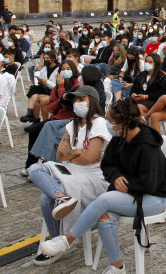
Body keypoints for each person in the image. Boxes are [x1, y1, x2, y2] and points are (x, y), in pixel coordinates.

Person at [38, 97, 166, 274]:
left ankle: (67, 239)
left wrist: (129, 188)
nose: (109, 126)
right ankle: (117, 266)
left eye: (111, 122)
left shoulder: (148, 147)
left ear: (123, 124)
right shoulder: (119, 140)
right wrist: (116, 177)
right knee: (104, 216)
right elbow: (107, 165)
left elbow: (150, 182)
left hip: (154, 197)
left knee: (105, 199)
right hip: (130, 193)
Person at [28, 86, 111, 266]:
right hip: (72, 170)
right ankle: (61, 197)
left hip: (93, 177)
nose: (77, 104)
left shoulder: (99, 123)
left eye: (81, 100)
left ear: (92, 102)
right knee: (34, 169)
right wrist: (80, 151)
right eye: (75, 100)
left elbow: (90, 159)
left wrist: (72, 153)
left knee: (44, 199)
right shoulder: (73, 124)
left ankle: (60, 241)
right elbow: (59, 154)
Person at [21, 50, 59, 123]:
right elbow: (40, 74)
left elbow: (56, 86)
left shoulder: (58, 69)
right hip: (45, 88)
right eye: (45, 58)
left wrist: (46, 81)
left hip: (53, 90)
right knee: (34, 89)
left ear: (53, 59)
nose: (46, 60)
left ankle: (44, 121)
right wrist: (41, 81)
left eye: (48, 58)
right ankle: (34, 117)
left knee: (42, 100)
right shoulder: (45, 68)